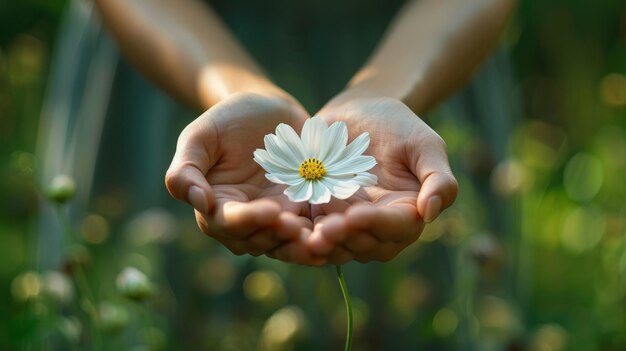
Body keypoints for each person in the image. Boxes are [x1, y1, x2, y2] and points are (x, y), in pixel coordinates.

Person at [93, 0, 516, 266]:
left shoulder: (329, 167)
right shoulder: (297, 167)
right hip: (172, 42)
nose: (312, 168)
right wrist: (237, 91)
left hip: (429, 46)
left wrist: (384, 90)